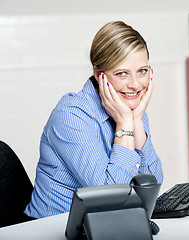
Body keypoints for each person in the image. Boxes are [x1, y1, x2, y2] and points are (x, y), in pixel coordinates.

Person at [24, 21, 164, 219]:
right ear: (99, 76)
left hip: (105, 224)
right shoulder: (71, 115)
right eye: (121, 73)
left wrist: (137, 123)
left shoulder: (130, 107)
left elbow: (153, 184)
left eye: (142, 71)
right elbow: (111, 197)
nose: (134, 85)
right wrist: (125, 125)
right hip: (53, 228)